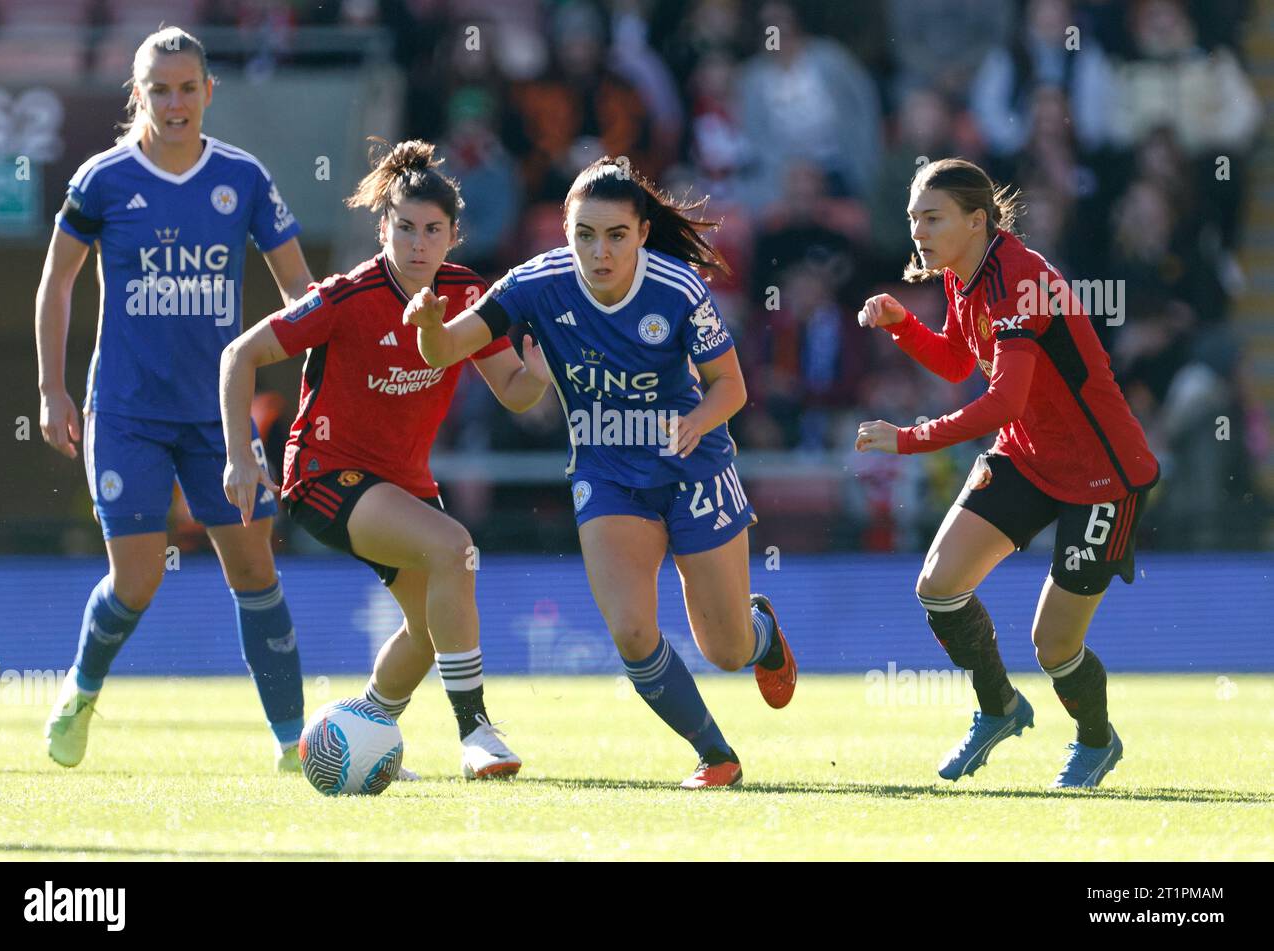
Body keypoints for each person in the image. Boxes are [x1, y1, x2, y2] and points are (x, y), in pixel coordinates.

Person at [407, 156, 797, 789]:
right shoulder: (535, 283)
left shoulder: (677, 288)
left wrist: (698, 419)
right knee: (633, 630)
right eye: (584, 234)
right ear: (565, 231)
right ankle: (715, 755)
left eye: (616, 235)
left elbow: (732, 386)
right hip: (608, 472)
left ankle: (762, 633)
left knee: (725, 650)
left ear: (642, 233)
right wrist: (428, 327)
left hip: (693, 468)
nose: (599, 250)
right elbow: (446, 348)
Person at [221, 140, 550, 780]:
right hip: (321, 478)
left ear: (455, 236)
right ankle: (474, 730)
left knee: (430, 633)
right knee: (456, 547)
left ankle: (358, 730)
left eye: (432, 230)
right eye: (404, 228)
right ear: (384, 229)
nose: (417, 243)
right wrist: (239, 455)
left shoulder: (466, 294)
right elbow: (239, 356)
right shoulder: (346, 296)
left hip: (403, 487)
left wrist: (536, 376)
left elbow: (513, 391)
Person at [36, 27, 314, 771]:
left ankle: (293, 745)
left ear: (208, 92)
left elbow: (299, 292)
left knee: (254, 567)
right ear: (139, 95)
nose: (175, 101)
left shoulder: (243, 179)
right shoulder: (102, 180)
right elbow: (56, 280)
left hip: (216, 415)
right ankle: (81, 688)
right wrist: (52, 389)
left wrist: (313, 366)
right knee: (139, 574)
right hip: (125, 409)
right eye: (159, 89)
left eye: (188, 87)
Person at [855, 157, 1159, 788]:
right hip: (1027, 456)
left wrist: (909, 440)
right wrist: (903, 326)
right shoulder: (963, 271)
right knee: (938, 586)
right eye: (913, 218)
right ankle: (999, 706)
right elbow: (956, 361)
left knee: (1053, 646)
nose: (918, 231)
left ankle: (1096, 741)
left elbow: (1004, 402)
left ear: (976, 219)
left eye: (932, 218)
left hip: (1103, 474)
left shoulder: (1018, 279)